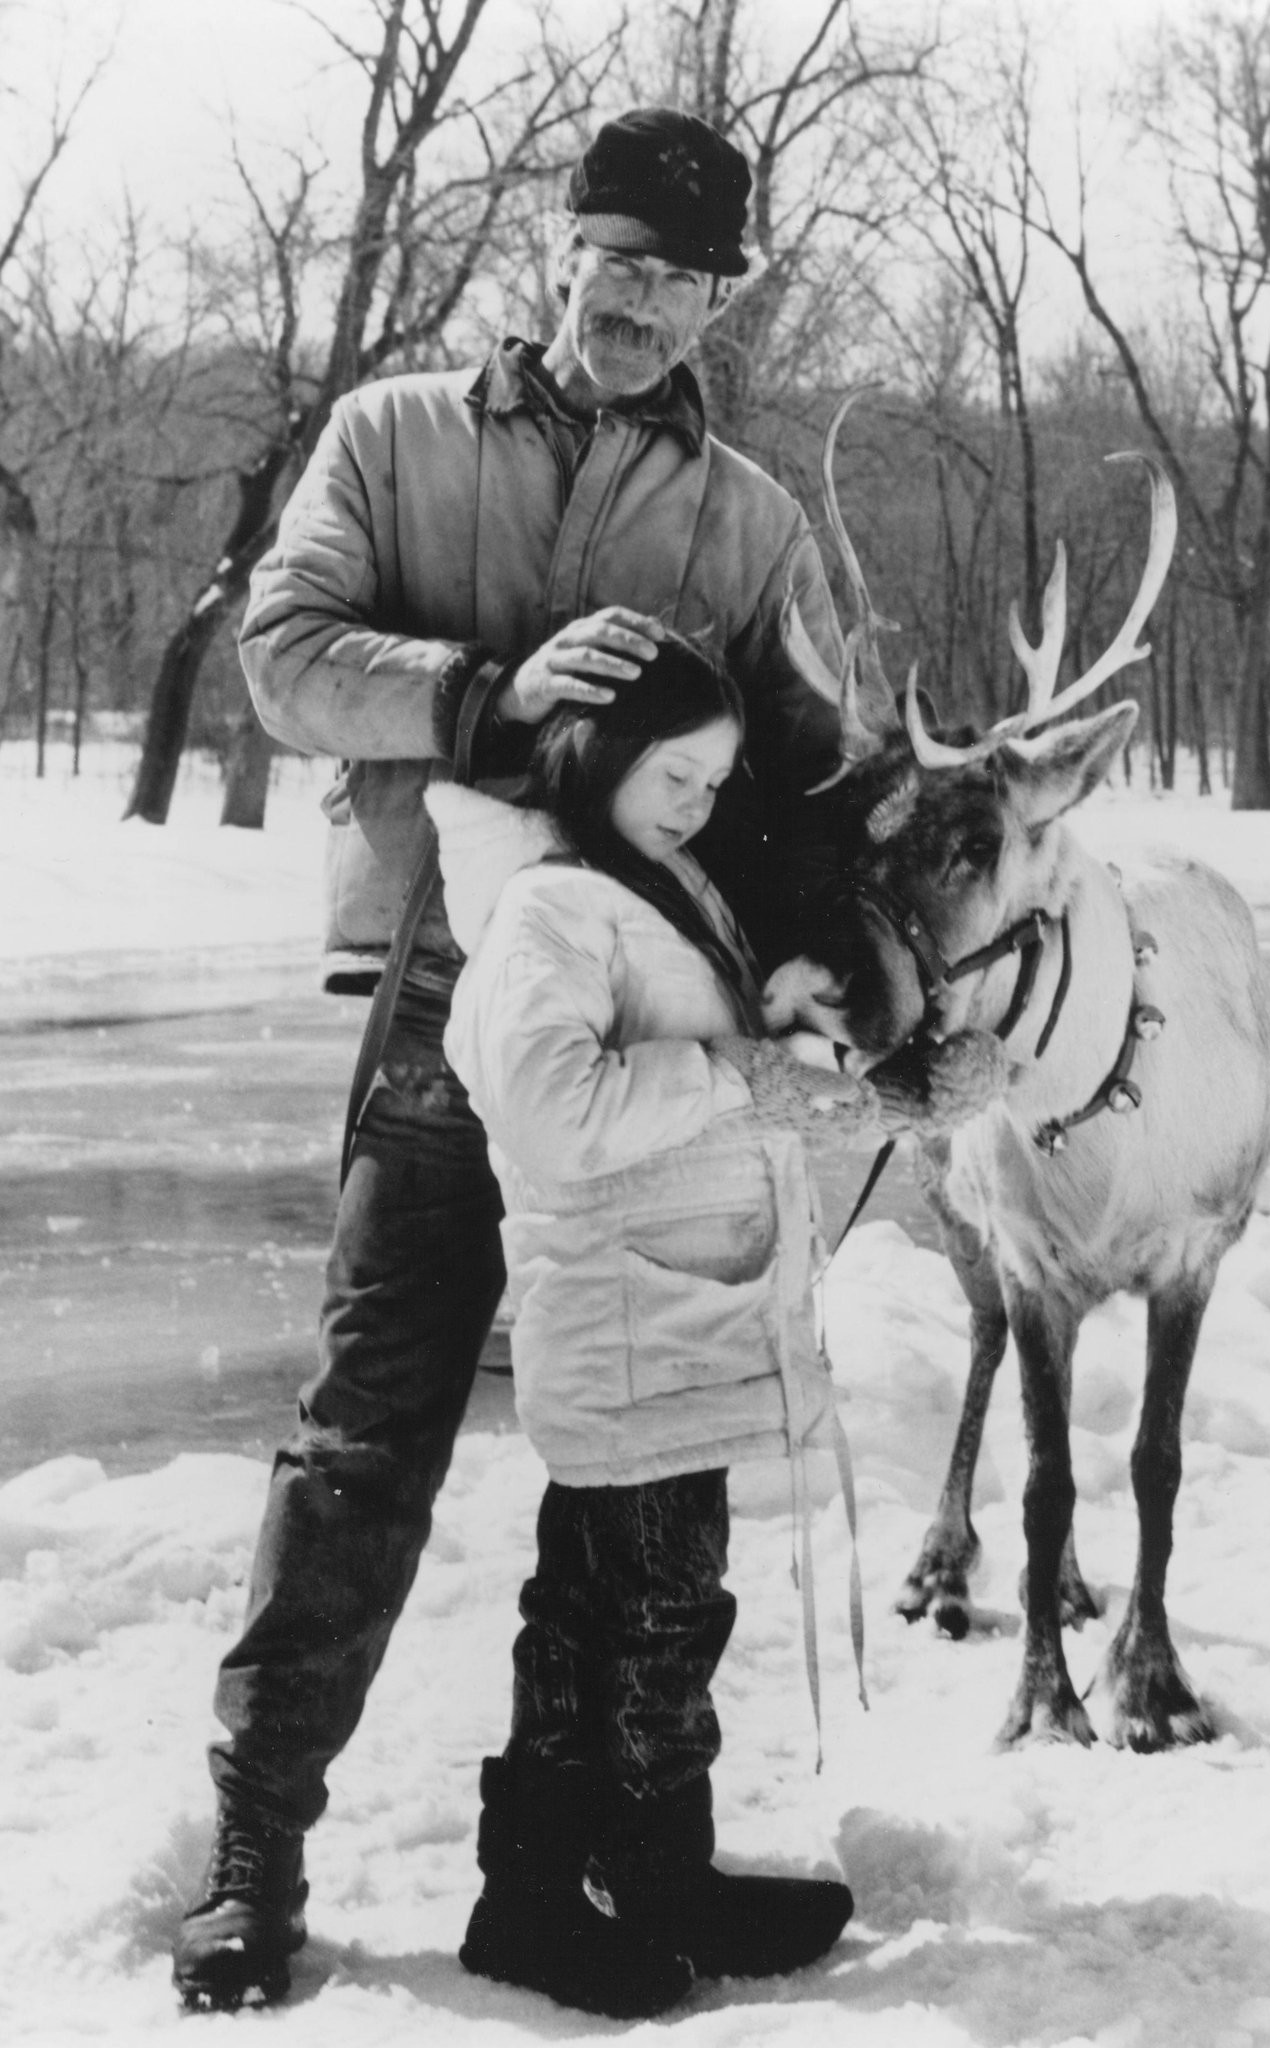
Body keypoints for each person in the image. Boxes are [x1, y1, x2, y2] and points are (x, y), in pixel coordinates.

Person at [172, 106, 848, 2013]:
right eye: (618, 260)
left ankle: (593, 1862)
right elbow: (285, 654)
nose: (642, 306)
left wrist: (834, 951)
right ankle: (255, 1847)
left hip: (635, 1014)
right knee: (371, 1425)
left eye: (685, 280)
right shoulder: (397, 433)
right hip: (433, 997)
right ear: (564, 246)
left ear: (724, 297)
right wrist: (480, 697)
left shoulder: (750, 523)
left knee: (641, 1444)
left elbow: (788, 788)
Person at [427, 636, 865, 2018]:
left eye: (715, 779)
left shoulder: (646, 884)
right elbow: (555, 1114)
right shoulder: (548, 910)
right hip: (624, 1314)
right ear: (600, 752)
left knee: (634, 1605)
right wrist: (734, 1066)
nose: (694, 801)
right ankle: (560, 1893)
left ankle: (628, 1869)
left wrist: (769, 1018)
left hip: (676, 1311)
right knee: (636, 1607)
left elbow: (677, 1047)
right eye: (674, 772)